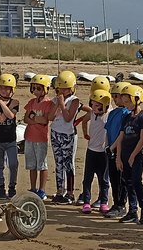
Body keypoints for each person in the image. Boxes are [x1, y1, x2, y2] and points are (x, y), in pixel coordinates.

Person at [115, 83, 143, 224]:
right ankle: (132, 211)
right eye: (124, 102)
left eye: (128, 101)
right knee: (127, 182)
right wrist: (118, 157)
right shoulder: (126, 117)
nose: (126, 104)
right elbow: (121, 137)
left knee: (136, 181)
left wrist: (132, 156)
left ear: (137, 99)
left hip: (136, 156)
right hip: (124, 155)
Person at [50, 70, 82, 204]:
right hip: (55, 133)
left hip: (68, 134)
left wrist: (62, 105)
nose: (62, 91)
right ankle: (59, 190)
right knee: (59, 163)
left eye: (65, 89)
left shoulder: (74, 101)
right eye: (60, 89)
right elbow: (50, 117)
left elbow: (69, 118)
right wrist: (57, 103)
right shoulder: (55, 100)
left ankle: (70, 192)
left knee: (68, 163)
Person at [79, 88, 112, 213]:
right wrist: (85, 134)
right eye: (92, 104)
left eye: (97, 105)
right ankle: (86, 202)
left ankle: (104, 202)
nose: (94, 107)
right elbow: (84, 121)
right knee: (87, 178)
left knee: (103, 179)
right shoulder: (92, 114)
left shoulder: (109, 114)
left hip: (103, 152)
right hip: (91, 151)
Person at [102, 82, 132, 218]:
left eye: (117, 96)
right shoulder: (113, 112)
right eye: (113, 96)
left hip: (121, 150)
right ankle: (115, 203)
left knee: (121, 180)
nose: (115, 99)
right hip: (111, 149)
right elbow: (108, 131)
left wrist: (114, 148)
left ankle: (121, 205)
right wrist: (108, 147)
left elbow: (122, 134)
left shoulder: (126, 113)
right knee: (113, 178)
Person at [23, 74, 55, 199]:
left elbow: (45, 120)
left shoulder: (48, 103)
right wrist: (36, 119)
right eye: (34, 88)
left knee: (42, 165)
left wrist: (33, 118)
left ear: (46, 89)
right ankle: (33, 187)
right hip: (29, 136)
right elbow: (26, 118)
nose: (36, 91)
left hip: (41, 138)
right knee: (31, 165)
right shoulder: (31, 102)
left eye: (39, 88)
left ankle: (42, 189)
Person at [0, 73, 21, 199]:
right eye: (2, 88)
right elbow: (1, 118)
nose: (4, 90)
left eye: (7, 88)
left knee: (13, 164)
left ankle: (12, 186)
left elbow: (11, 116)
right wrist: (3, 106)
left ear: (12, 89)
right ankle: (1, 187)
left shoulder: (15, 102)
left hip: (11, 140)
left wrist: (2, 104)